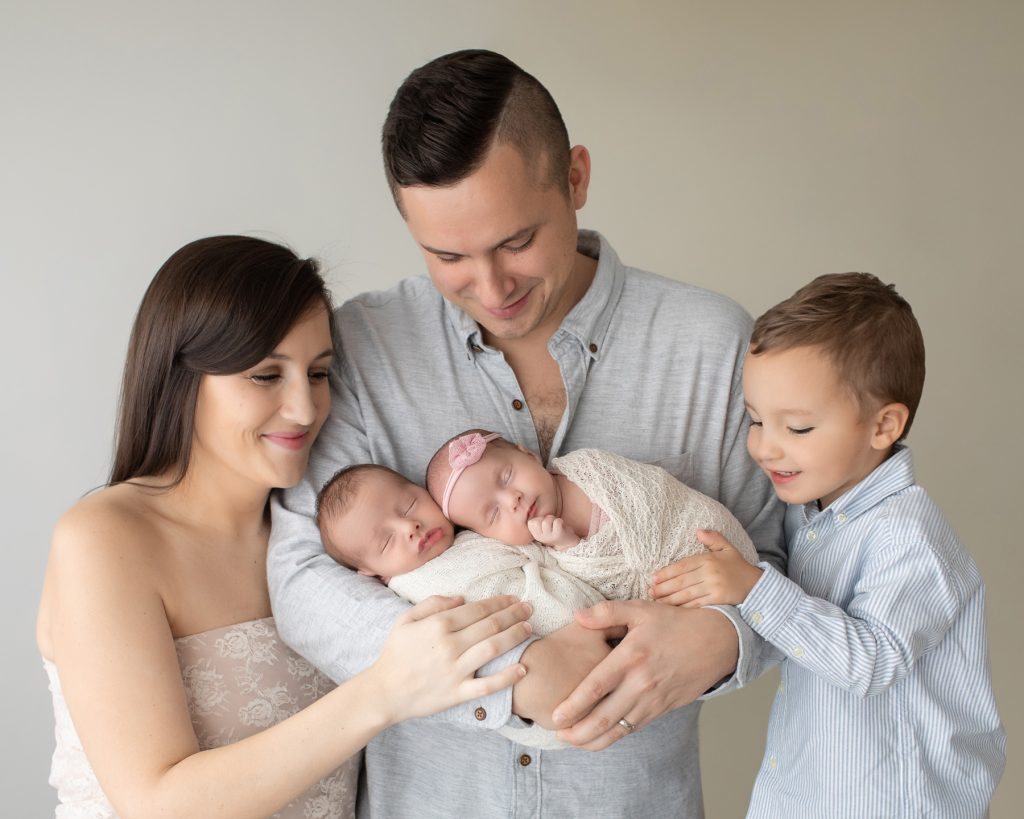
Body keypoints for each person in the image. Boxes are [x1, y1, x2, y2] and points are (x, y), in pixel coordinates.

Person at [268, 49, 785, 818]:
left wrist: (723, 642)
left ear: (575, 178)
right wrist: (517, 664)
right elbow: (305, 582)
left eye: (515, 241)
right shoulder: (360, 352)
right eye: (448, 256)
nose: (492, 287)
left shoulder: (708, 344)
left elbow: (781, 563)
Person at [36, 235, 532, 819]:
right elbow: (154, 802)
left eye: (318, 374)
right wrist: (385, 692)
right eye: (266, 376)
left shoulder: (333, 538)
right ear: (182, 379)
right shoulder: (106, 538)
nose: (305, 408)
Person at [653, 273, 1005, 817]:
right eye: (755, 420)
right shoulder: (806, 510)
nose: (765, 448)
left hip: (898, 802)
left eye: (796, 428)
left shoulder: (908, 537)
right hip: (810, 788)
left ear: (884, 425)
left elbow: (870, 662)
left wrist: (754, 588)